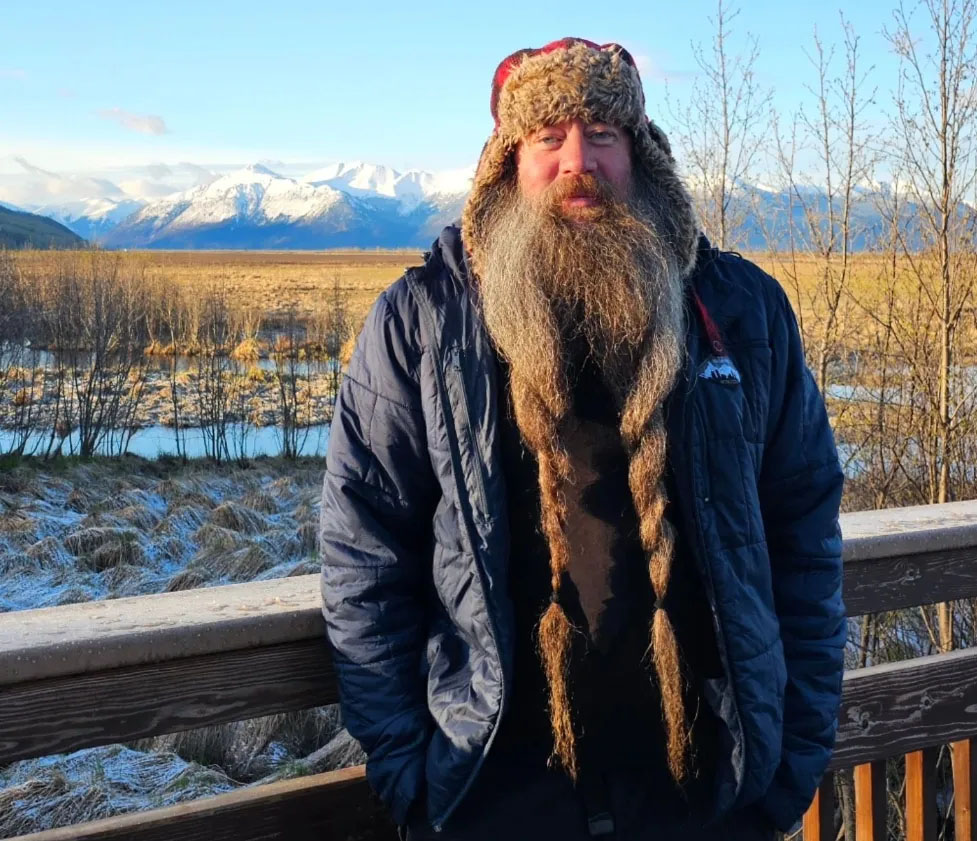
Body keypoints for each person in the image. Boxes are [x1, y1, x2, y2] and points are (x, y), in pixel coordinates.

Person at [319, 37, 845, 841]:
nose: (578, 160)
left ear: (639, 153)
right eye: (548, 137)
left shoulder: (740, 312)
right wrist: (413, 780)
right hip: (495, 800)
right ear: (507, 162)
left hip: (704, 800)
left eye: (602, 133)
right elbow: (364, 554)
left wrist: (786, 766)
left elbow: (803, 530)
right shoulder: (422, 323)